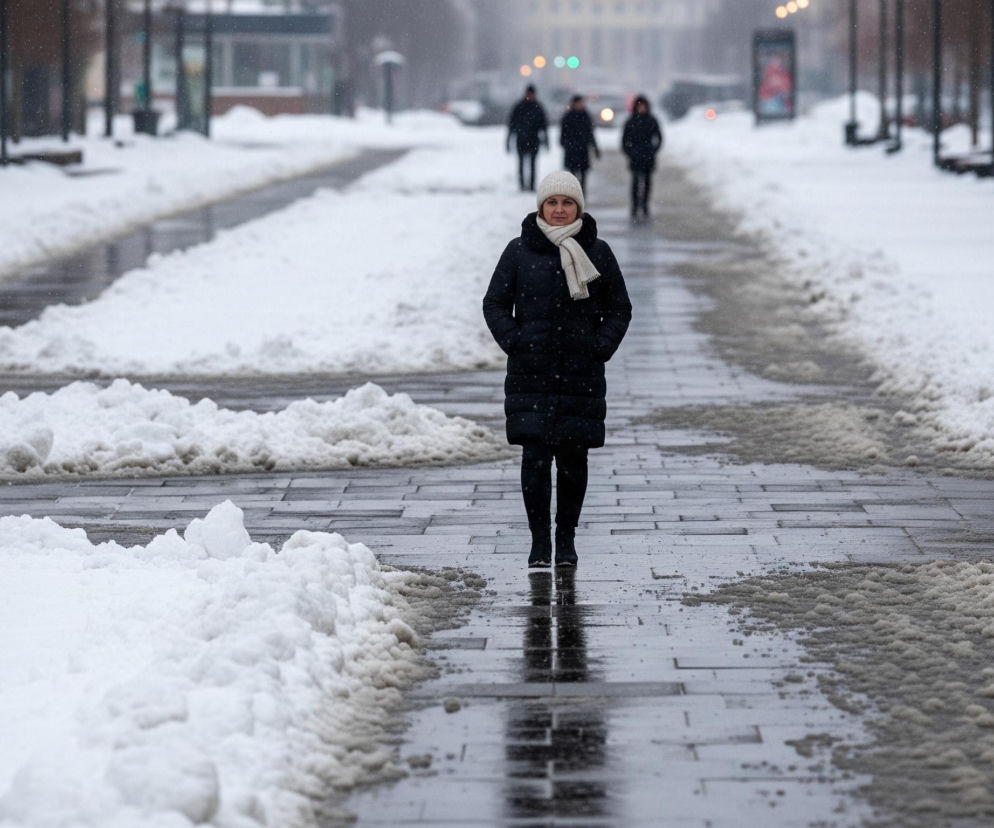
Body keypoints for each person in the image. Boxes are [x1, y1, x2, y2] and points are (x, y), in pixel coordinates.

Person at [483, 171, 632, 568]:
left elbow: (620, 307)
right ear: (541, 207)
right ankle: (539, 542)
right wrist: (516, 341)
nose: (560, 210)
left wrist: (600, 347)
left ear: (578, 207)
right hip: (530, 374)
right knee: (534, 459)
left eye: (568, 203)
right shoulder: (518, 251)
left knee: (572, 462)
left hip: (580, 374)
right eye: (552, 202)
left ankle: (565, 539)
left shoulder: (597, 251)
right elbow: (494, 303)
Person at [621, 94, 663, 221]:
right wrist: (630, 152)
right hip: (635, 158)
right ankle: (634, 206)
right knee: (635, 182)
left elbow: (659, 137)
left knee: (647, 182)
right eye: (639, 106)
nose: (641, 108)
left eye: (643, 106)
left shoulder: (652, 120)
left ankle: (645, 205)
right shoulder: (631, 121)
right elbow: (624, 140)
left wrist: (653, 151)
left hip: (648, 157)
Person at [507, 85, 549, 191]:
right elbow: (512, 125)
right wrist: (508, 140)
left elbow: (544, 125)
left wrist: (546, 140)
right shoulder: (519, 107)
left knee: (533, 164)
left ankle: (531, 185)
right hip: (521, 139)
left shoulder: (537, 107)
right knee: (521, 164)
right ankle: (522, 185)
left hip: (534, 140)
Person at [559, 95, 600, 191]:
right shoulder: (568, 117)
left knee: (583, 176)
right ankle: (573, 194)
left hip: (583, 151)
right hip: (572, 151)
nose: (580, 105)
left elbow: (590, 133)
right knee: (572, 177)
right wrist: (567, 144)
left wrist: (595, 148)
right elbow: (563, 134)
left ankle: (582, 194)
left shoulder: (586, 116)